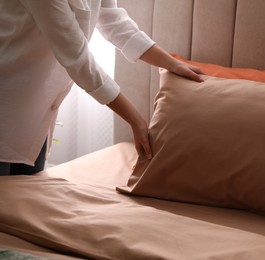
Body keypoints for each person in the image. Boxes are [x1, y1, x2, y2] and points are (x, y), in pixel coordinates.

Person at [0, 0, 203, 176]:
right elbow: (77, 59)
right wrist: (136, 120)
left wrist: (170, 63)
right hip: (7, 95)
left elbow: (113, 21)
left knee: (22, 203)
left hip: (34, 110)